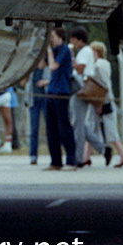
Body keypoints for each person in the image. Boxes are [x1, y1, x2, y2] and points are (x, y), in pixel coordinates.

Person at [87, 42, 123, 167]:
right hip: (103, 100)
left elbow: (102, 85)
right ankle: (85, 156)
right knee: (92, 129)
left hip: (102, 101)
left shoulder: (98, 66)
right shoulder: (105, 64)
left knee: (107, 131)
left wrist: (99, 102)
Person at [68, 27, 104, 166]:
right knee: (80, 123)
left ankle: (78, 158)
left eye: (73, 39)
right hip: (83, 89)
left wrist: (71, 57)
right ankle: (102, 148)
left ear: (79, 39)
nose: (71, 41)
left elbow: (79, 69)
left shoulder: (84, 52)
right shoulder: (87, 51)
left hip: (81, 89)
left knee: (78, 125)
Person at [44, 26, 78, 169]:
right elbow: (42, 65)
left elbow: (53, 66)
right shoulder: (54, 51)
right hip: (51, 91)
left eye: (52, 36)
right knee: (51, 128)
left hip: (61, 92)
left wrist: (48, 50)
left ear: (60, 37)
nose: (51, 39)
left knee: (64, 127)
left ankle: (71, 160)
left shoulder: (64, 50)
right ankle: (55, 161)